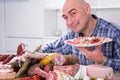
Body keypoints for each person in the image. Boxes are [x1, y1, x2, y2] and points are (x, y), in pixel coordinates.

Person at [40, 0, 120, 73]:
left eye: (73, 13)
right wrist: (32, 54)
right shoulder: (71, 36)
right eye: (65, 17)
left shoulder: (114, 32)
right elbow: (50, 48)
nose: (69, 22)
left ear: (87, 8)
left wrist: (103, 60)